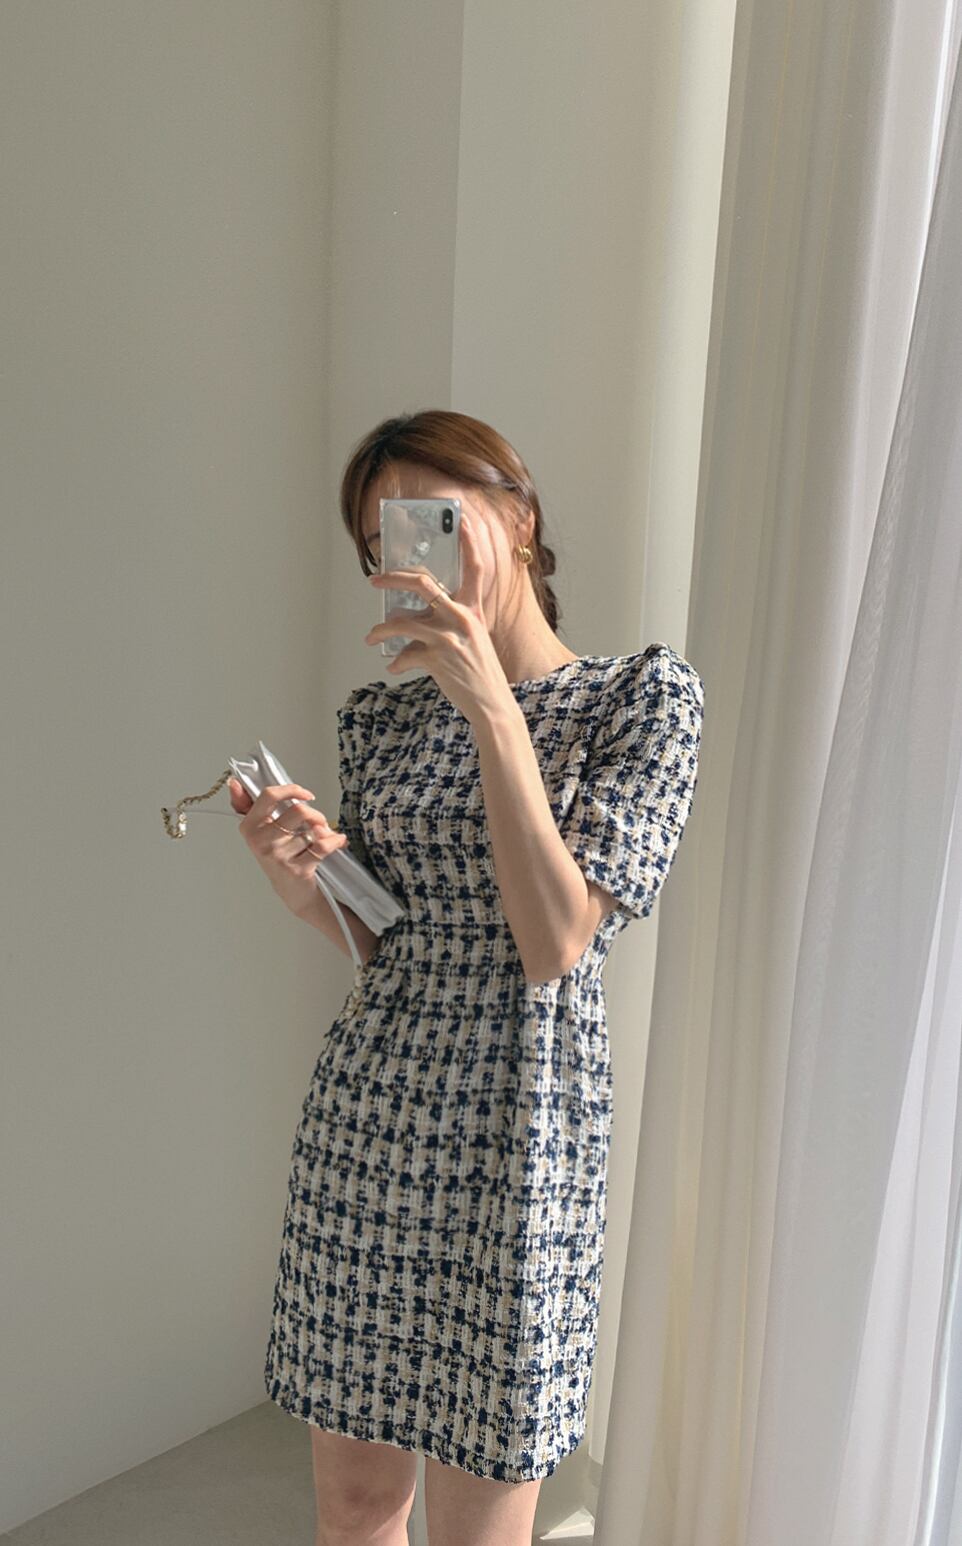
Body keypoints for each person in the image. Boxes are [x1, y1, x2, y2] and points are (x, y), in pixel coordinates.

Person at [227, 409, 705, 1546]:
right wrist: (299, 880)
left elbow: (554, 942)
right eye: (382, 541)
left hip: (519, 1138)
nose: (408, 558)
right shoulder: (380, 719)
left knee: (480, 1522)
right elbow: (389, 938)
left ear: (519, 517)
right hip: (369, 1122)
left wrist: (492, 705)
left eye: (430, 521)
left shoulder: (640, 699)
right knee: (355, 1506)